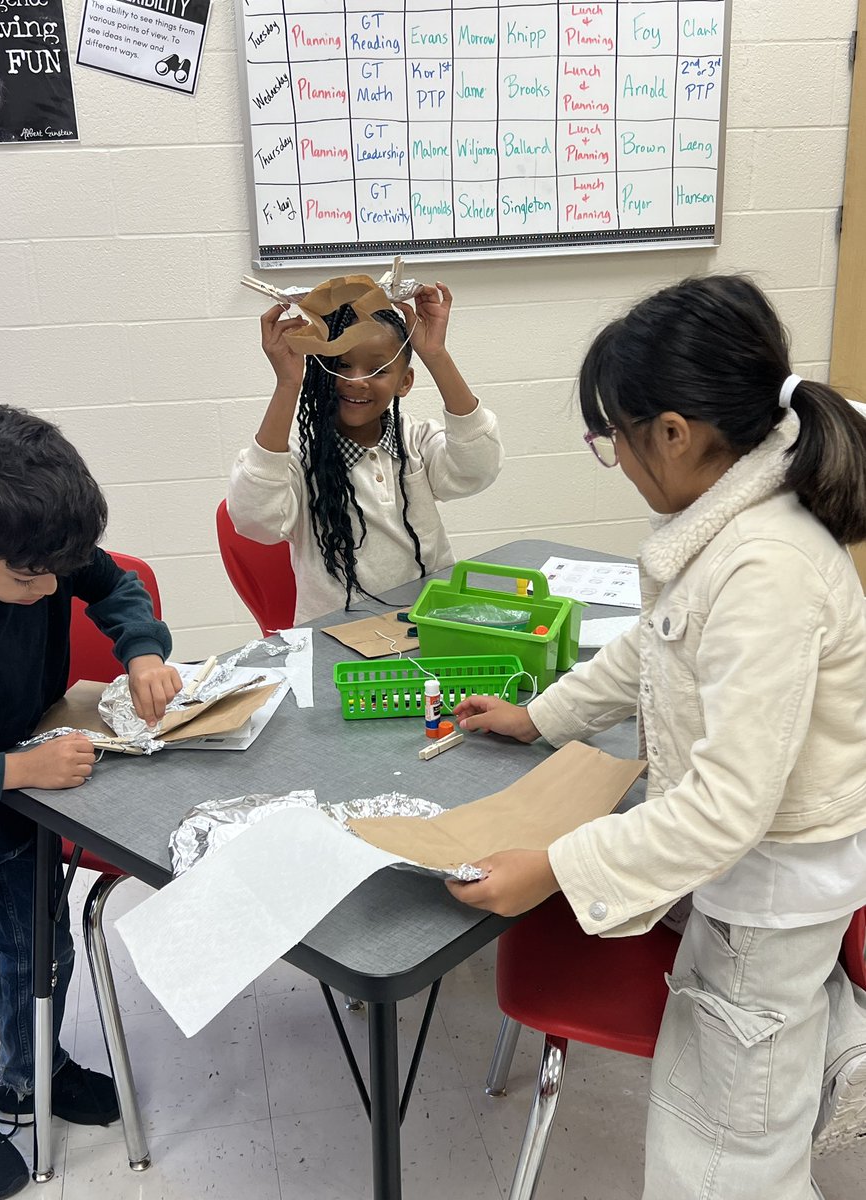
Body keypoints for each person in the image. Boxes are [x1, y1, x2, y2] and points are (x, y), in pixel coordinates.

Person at [449, 275, 866, 1200]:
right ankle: (831, 1038)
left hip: (767, 898)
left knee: (723, 1162)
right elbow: (652, 645)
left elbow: (727, 809)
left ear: (673, 433)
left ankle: (817, 1048)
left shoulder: (765, 570)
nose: (618, 461)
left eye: (613, 440)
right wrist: (540, 715)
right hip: (751, 876)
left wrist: (554, 867)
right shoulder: (726, 526)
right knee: (750, 1099)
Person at [0, 404, 182, 1200]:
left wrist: (144, 651)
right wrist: (16, 770)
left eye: (58, 571)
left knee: (43, 957)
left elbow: (114, 583)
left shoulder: (40, 550)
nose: (50, 588)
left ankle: (34, 1073)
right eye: (28, 578)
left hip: (30, 814)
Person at [227, 281, 503, 623]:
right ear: (319, 369)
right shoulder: (299, 460)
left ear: (404, 382)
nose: (357, 380)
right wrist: (287, 384)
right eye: (341, 365)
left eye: (378, 369)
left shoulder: (416, 440)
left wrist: (436, 355)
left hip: (428, 623)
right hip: (337, 637)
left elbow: (478, 469)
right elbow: (256, 521)